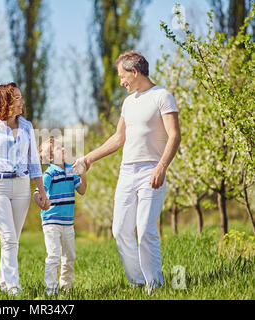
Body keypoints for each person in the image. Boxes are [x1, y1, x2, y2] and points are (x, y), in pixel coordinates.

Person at [73, 51, 181, 293]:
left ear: (135, 72)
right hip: (127, 172)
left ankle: (155, 284)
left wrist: (162, 166)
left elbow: (174, 135)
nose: (121, 81)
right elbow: (119, 137)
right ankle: (138, 280)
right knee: (120, 229)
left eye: (123, 76)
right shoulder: (128, 103)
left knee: (144, 230)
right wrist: (89, 158)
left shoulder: (162, 96)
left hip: (151, 170)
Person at [0, 82, 50, 295]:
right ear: (6, 102)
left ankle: (2, 284)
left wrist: (41, 190)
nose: (22, 102)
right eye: (17, 98)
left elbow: (34, 161)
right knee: (8, 238)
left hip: (22, 186)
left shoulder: (27, 126)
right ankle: (13, 287)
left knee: (12, 240)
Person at [34, 138, 87, 295]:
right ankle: (51, 290)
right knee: (54, 255)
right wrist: (42, 201)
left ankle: (66, 287)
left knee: (70, 257)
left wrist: (83, 175)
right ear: (50, 158)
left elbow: (82, 190)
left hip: (68, 223)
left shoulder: (71, 170)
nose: (63, 149)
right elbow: (37, 193)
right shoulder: (48, 174)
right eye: (58, 148)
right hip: (51, 222)